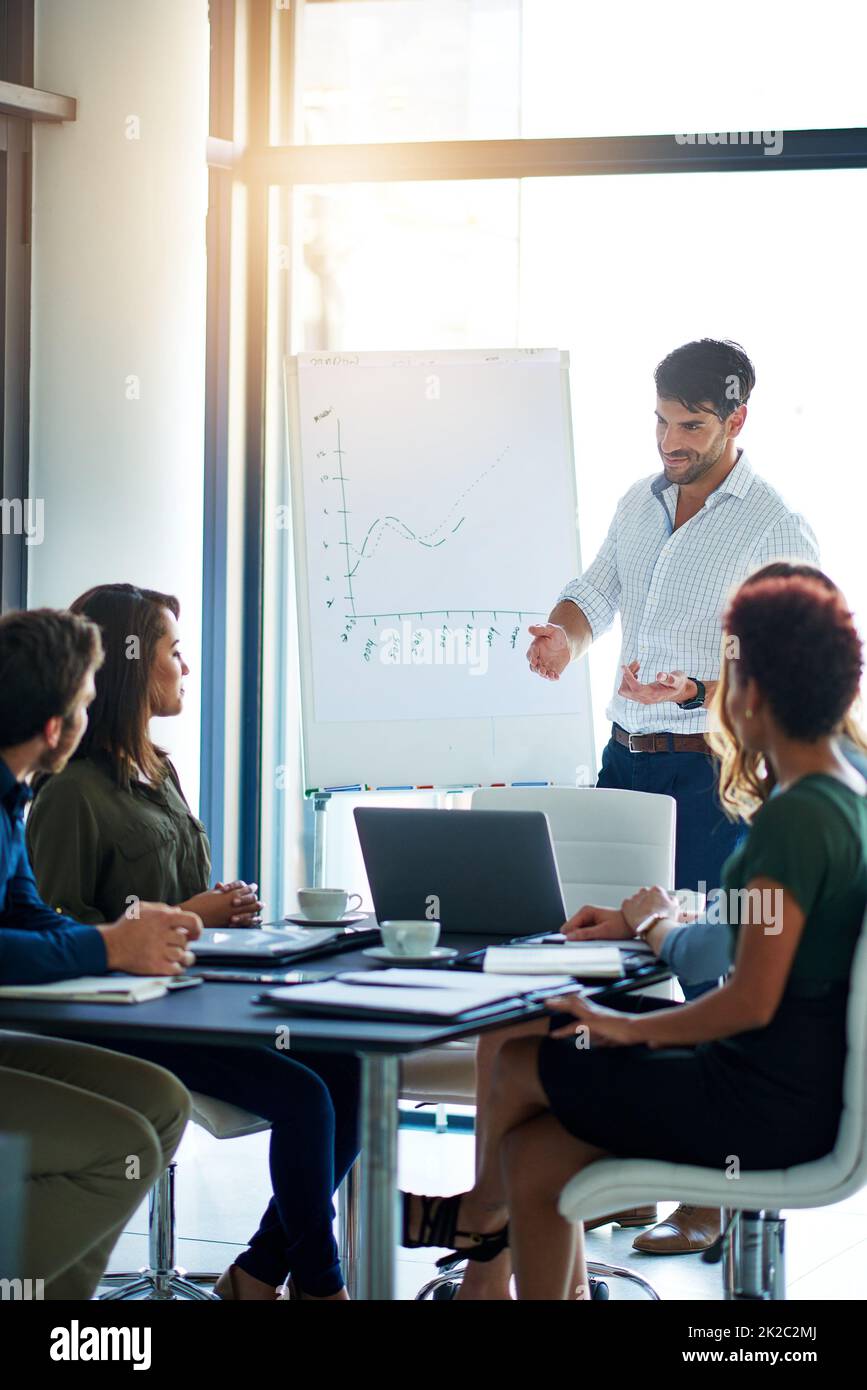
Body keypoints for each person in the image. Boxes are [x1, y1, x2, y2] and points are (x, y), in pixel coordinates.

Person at [404, 573, 867, 1299]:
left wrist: (624, 1029)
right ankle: (483, 1245)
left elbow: (746, 1001)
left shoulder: (797, 819)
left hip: (764, 1101)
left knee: (522, 1063)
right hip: (805, 1088)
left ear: (751, 692)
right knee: (532, 1154)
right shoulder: (842, 792)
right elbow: (751, 930)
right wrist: (651, 941)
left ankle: (472, 1220)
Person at [526, 338, 819, 1254]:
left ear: (736, 421)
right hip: (625, 762)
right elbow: (596, 591)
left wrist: (696, 692)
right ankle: (624, 1173)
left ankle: (710, 1194)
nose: (669, 441)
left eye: (688, 426)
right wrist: (563, 641)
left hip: (707, 775)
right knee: (604, 946)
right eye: (659, 421)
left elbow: (795, 657)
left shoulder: (773, 524)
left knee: (704, 964)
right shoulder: (640, 500)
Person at [26, 584, 360, 1301]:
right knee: (305, 1098)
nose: (185, 666)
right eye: (174, 652)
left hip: (193, 1000)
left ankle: (259, 1273)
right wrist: (195, 914)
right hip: (122, 1020)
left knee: (351, 1071)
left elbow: (177, 910)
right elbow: (56, 929)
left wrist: (220, 914)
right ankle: (319, 1285)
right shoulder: (70, 793)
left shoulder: (161, 772)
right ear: (131, 665)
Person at [0, 607, 195, 1298]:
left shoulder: (12, 799)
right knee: (122, 1148)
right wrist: (108, 945)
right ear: (56, 728)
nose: (92, 713)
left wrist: (115, 942)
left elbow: (25, 913)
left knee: (163, 1103)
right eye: (85, 701)